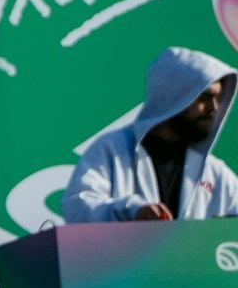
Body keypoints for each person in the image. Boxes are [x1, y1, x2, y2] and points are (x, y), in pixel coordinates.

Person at [63, 47, 238, 223]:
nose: (214, 107)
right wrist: (134, 211)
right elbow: (79, 207)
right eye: (204, 97)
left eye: (218, 97)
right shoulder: (111, 150)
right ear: (175, 96)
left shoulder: (213, 172)